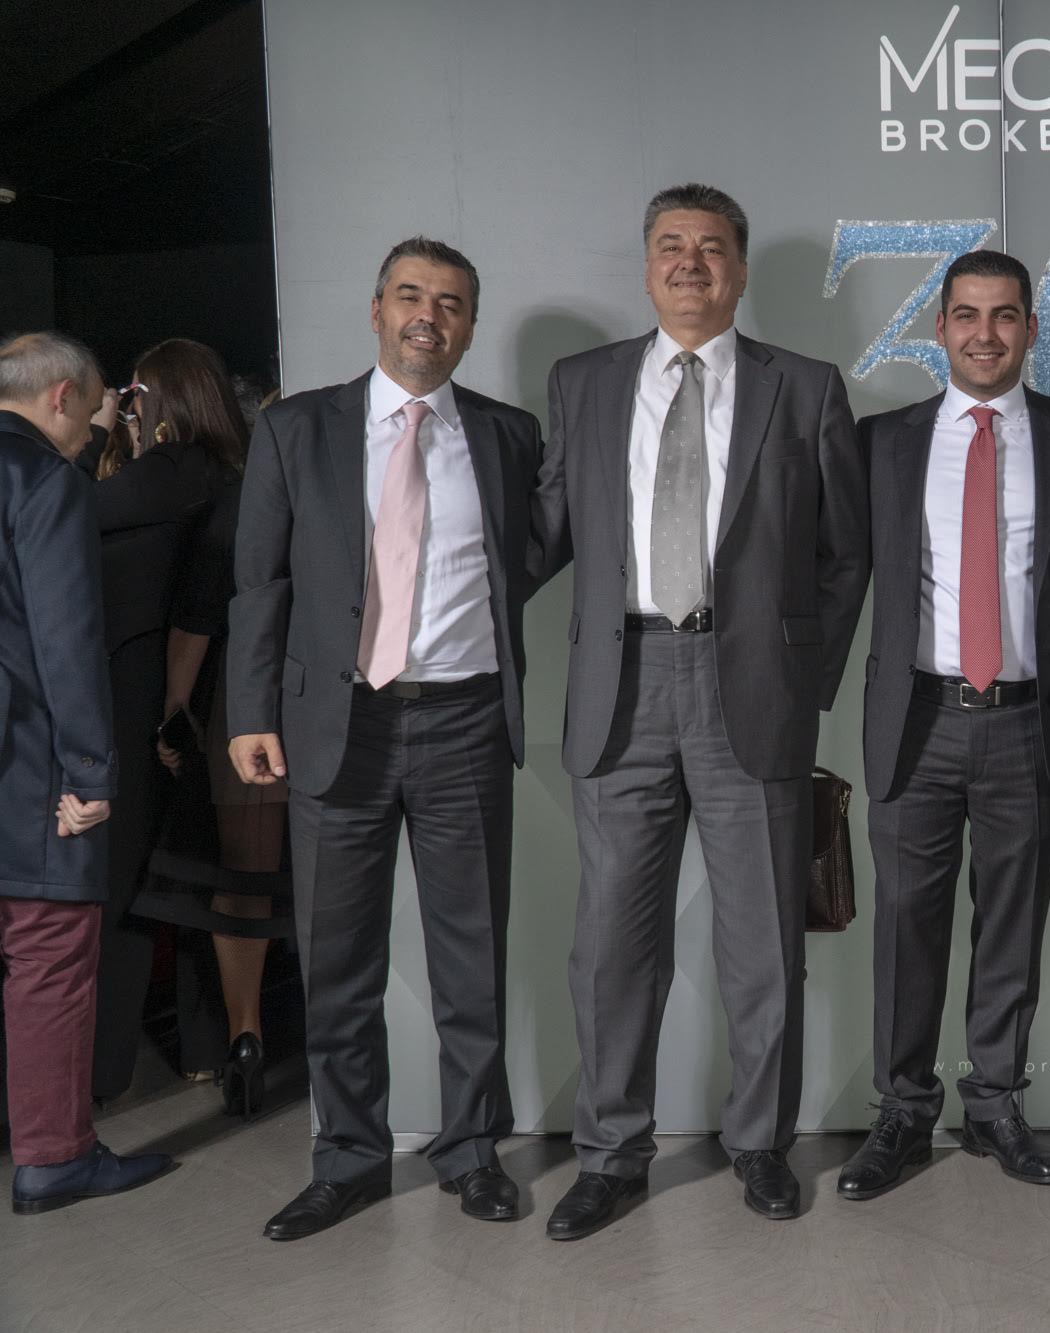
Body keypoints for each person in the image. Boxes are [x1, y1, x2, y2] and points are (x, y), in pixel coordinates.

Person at [533, 183, 868, 1235]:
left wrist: (801, 679)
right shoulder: (583, 383)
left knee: (762, 943)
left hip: (751, 692)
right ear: (647, 268)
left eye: (711, 246)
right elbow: (545, 528)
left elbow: (845, 552)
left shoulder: (804, 387)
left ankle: (760, 1144)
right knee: (610, 946)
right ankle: (609, 1153)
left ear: (739, 269)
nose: (690, 262)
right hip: (620, 685)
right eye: (671, 245)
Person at [228, 237, 548, 1240]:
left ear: (469, 324)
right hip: (338, 723)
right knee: (338, 960)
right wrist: (250, 712)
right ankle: (348, 1158)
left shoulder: (509, 435)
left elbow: (525, 559)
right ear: (376, 310)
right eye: (410, 295)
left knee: (471, 957)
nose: (428, 316)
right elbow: (259, 582)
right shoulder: (295, 429)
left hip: (464, 721)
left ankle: (471, 1149)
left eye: (450, 302)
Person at [837, 250, 1050, 1202]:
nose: (985, 333)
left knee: (1012, 925)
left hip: (1029, 721)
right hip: (916, 719)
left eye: (1004, 316)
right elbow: (838, 571)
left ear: (1031, 329)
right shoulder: (884, 441)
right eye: (967, 314)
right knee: (905, 928)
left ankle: (996, 1104)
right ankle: (902, 1111)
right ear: (941, 328)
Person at [0, 331, 175, 1214]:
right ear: (62, 396)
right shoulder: (45, 480)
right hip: (29, 764)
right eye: (98, 403)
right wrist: (93, 773)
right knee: (49, 952)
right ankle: (54, 1156)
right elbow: (66, 640)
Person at [75, 341, 241, 1103]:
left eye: (135, 393)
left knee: (129, 886)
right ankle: (208, 1047)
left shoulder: (167, 470)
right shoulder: (230, 474)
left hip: (148, 695)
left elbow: (58, 515)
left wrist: (94, 435)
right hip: (218, 698)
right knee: (198, 877)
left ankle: (105, 1071)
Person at [137, 340, 288, 1112]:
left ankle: (244, 1034)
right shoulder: (263, 480)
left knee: (241, 883)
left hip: (241, 696)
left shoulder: (216, 495)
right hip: (314, 688)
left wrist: (168, 711)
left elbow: (197, 619)